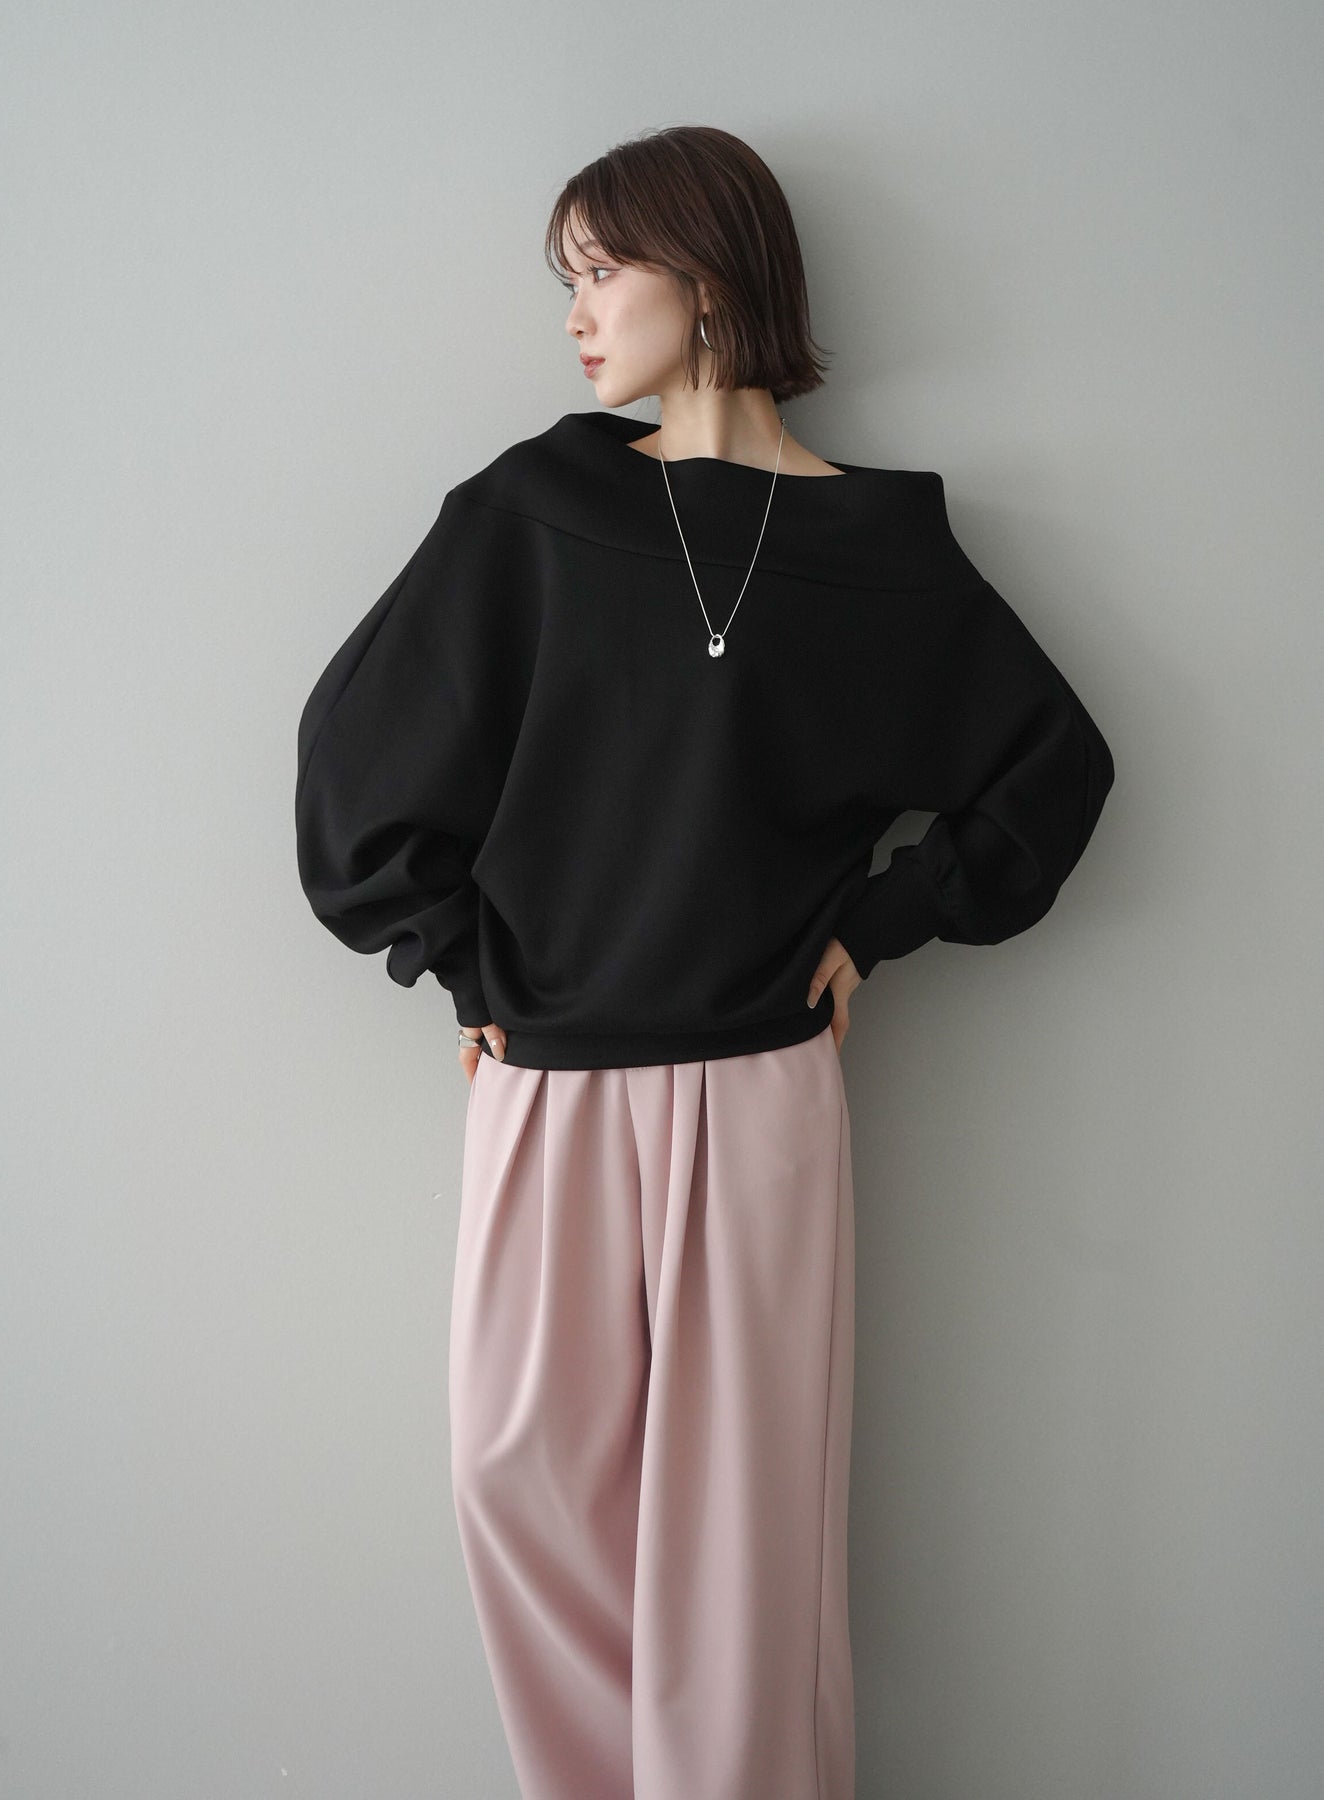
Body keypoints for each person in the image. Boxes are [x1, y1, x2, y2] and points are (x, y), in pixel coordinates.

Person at [294, 123, 1115, 1800]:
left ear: (712, 276)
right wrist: (460, 967)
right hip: (546, 1078)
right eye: (570, 279)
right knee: (514, 1478)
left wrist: (880, 926)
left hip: (757, 1091)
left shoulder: (878, 552)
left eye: (603, 270)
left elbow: (1052, 771)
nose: (576, 313)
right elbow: (354, 767)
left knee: (743, 1543)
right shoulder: (539, 509)